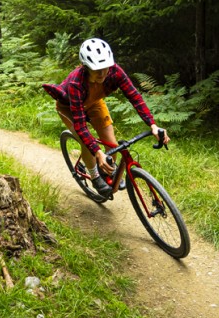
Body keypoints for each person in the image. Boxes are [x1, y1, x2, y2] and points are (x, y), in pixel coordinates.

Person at [43, 38, 170, 198]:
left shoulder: (115, 71)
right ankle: (95, 176)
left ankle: (105, 171)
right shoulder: (76, 82)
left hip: (94, 103)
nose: (103, 73)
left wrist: (152, 125)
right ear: (86, 67)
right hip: (69, 107)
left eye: (105, 68)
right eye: (97, 70)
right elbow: (81, 127)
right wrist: (97, 152)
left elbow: (134, 97)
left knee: (112, 144)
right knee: (86, 142)